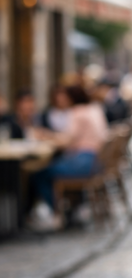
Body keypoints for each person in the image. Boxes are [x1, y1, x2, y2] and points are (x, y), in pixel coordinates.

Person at [28, 84, 108, 231]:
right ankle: (70, 210)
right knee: (51, 168)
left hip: (83, 161)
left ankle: (59, 212)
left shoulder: (77, 112)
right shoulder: (94, 109)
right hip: (96, 161)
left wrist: (46, 135)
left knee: (40, 174)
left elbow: (67, 140)